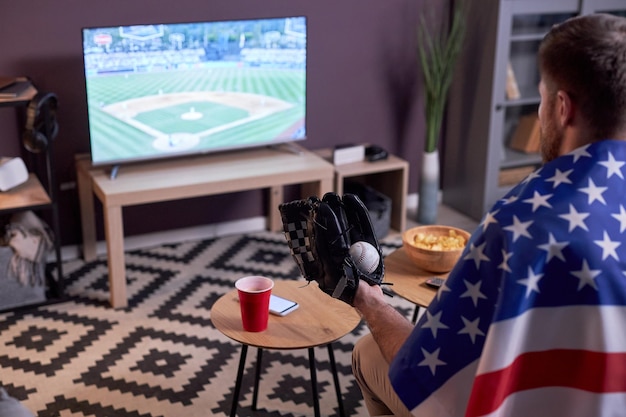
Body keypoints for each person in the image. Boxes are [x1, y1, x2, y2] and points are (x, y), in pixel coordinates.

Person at [351, 13, 626, 417]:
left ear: (563, 108)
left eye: (542, 98)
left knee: (368, 351)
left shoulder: (521, 220)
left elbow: (429, 371)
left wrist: (368, 300)